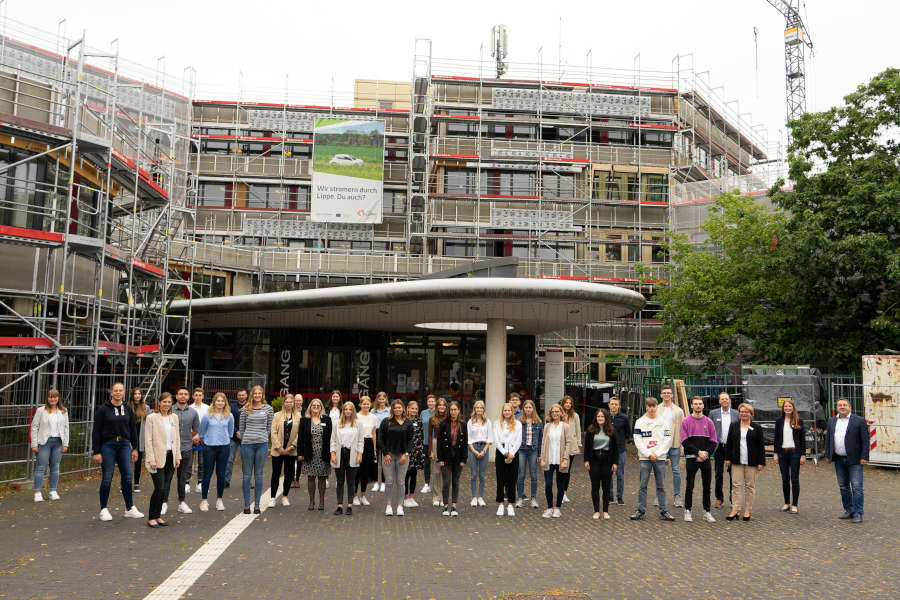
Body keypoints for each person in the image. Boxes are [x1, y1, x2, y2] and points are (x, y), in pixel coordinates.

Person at [91, 382, 144, 521]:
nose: (118, 393)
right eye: (115, 390)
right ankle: (103, 509)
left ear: (124, 392)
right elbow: (96, 431)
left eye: (120, 390)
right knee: (107, 477)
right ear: (111, 392)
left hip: (125, 444)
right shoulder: (103, 409)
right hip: (108, 445)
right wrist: (96, 451)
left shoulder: (128, 408)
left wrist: (135, 448)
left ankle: (129, 508)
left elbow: (133, 429)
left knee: (127, 476)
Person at [630, 397, 676, 521]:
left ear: (657, 407)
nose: (651, 409)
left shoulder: (664, 422)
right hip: (645, 458)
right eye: (649, 406)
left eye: (653, 406)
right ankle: (640, 510)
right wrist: (648, 453)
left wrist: (658, 453)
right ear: (646, 407)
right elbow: (637, 440)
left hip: (660, 458)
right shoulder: (640, 422)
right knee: (642, 485)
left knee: (661, 485)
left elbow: (668, 439)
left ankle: (664, 511)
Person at [825, 398, 869, 523]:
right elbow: (829, 438)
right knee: (843, 486)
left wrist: (864, 457)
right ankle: (849, 510)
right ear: (837, 407)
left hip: (855, 459)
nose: (842, 407)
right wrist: (828, 454)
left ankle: (858, 512)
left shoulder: (859, 421)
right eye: (839, 405)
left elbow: (865, 441)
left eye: (844, 405)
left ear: (849, 407)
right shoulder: (832, 420)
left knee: (856, 487)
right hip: (839, 459)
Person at [144, 392, 180, 528]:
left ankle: (158, 515)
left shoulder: (174, 418)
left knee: (165, 489)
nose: (166, 404)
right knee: (159, 487)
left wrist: (177, 457)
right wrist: (151, 459)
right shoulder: (151, 418)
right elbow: (148, 440)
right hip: (157, 457)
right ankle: (151, 517)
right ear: (159, 402)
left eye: (169, 402)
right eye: (164, 401)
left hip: (171, 457)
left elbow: (177, 439)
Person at [680, 396, 718, 523]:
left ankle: (707, 511)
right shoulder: (685, 421)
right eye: (695, 404)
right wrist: (698, 452)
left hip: (705, 459)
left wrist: (705, 453)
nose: (698, 406)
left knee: (707, 486)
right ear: (691, 406)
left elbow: (713, 441)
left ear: (703, 406)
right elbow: (684, 441)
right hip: (692, 458)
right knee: (690, 485)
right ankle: (687, 510)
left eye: (700, 404)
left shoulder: (709, 422)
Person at [725, 403, 765, 521]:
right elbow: (729, 443)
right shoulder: (734, 426)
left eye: (746, 412)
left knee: (749, 486)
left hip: (752, 461)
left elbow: (761, 446)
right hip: (736, 460)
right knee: (736, 485)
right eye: (741, 412)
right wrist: (727, 458)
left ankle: (747, 509)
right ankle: (735, 509)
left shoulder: (756, 427)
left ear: (751, 414)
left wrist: (761, 462)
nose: (743, 414)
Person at [239, 385, 274, 514]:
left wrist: (261, 437)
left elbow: (269, 426)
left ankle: (257, 505)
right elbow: (241, 428)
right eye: (255, 393)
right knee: (247, 475)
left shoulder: (268, 409)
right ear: (252, 395)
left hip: (262, 444)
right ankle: (247, 505)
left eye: (260, 393)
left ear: (262, 395)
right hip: (247, 444)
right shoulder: (245, 409)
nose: (257, 395)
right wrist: (247, 439)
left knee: (259, 474)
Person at [30, 389, 69, 502]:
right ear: (47, 398)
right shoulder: (41, 411)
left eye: (55, 397)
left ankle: (53, 491)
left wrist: (65, 443)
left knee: (55, 467)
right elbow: (34, 427)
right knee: (41, 467)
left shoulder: (63, 411)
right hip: (44, 442)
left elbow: (66, 428)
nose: (53, 399)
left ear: (58, 398)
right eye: (50, 397)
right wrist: (34, 443)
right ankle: (37, 492)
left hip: (58, 442)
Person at [199, 392, 234, 512]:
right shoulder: (207, 416)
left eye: (222, 401)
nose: (220, 403)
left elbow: (230, 432)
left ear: (225, 403)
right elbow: (202, 433)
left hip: (224, 447)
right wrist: (208, 442)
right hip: (209, 447)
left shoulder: (229, 416)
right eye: (218, 401)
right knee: (207, 474)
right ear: (214, 402)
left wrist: (223, 440)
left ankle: (219, 500)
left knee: (221, 474)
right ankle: (204, 500)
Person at [379, 399, 413, 516]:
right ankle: (388, 506)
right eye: (395, 408)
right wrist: (385, 453)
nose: (397, 409)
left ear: (403, 408)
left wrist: (405, 454)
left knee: (401, 481)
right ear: (392, 409)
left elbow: (411, 440)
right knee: (388, 481)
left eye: (399, 407)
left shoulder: (408, 423)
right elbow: (380, 439)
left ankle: (400, 506)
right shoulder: (386, 422)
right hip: (388, 455)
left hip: (403, 456)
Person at [540, 403, 574, 518]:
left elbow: (568, 443)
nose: (555, 413)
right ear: (550, 413)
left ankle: (557, 508)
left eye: (557, 411)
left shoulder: (565, 427)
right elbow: (543, 443)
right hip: (548, 460)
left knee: (560, 486)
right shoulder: (547, 427)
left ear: (561, 413)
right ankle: (549, 508)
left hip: (561, 461)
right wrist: (542, 457)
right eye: (553, 411)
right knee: (548, 485)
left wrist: (565, 459)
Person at [331, 401, 364, 515]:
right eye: (346, 409)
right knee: (340, 481)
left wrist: (360, 454)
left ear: (353, 411)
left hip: (353, 454)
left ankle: (349, 505)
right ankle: (339, 506)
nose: (348, 411)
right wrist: (333, 454)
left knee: (351, 481)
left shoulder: (358, 424)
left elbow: (360, 441)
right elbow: (333, 440)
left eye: (350, 409)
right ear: (343, 411)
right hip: (340, 454)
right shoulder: (337, 423)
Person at [583, 407, 617, 520]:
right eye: (598, 416)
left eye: (602, 416)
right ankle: (596, 511)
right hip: (594, 460)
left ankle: (606, 511)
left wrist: (615, 463)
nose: (600, 418)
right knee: (595, 487)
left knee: (606, 487)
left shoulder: (611, 430)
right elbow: (587, 447)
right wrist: (586, 460)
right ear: (595, 418)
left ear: (606, 417)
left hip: (607, 460)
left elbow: (616, 448)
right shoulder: (591, 430)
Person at [774, 398, 806, 514]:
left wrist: (803, 454)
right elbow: (776, 438)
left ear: (793, 408)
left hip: (795, 454)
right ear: (783, 408)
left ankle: (794, 504)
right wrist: (775, 453)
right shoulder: (779, 421)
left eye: (789, 406)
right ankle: (786, 503)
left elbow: (802, 440)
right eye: (785, 406)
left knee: (795, 479)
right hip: (782, 453)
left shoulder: (798, 421)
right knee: (784, 479)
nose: (787, 408)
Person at [299, 398, 332, 511]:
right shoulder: (304, 420)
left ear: (321, 407)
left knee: (322, 477)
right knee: (311, 477)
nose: (316, 407)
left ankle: (321, 502)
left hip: (323, 452)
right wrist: (300, 453)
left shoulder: (327, 419)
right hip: (310, 452)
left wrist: (332, 452)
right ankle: (311, 501)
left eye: (318, 405)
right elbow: (300, 438)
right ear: (310, 407)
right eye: (314, 405)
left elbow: (331, 437)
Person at [437, 400, 467, 517]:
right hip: (446, 457)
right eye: (451, 410)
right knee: (446, 482)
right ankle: (445, 505)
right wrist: (440, 459)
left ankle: (454, 505)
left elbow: (465, 443)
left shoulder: (463, 425)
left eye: (455, 409)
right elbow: (439, 443)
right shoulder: (443, 424)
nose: (453, 412)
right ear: (449, 411)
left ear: (459, 410)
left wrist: (464, 460)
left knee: (455, 482)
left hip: (458, 458)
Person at [709, 392, 739, 509]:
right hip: (719, 447)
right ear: (719, 401)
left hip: (732, 448)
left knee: (734, 474)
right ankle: (719, 498)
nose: (725, 401)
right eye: (722, 399)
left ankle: (733, 499)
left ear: (730, 400)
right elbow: (710, 430)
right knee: (718, 474)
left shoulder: (736, 414)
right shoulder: (713, 413)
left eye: (726, 398)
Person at [269, 394, 299, 508]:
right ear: (284, 403)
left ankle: (285, 496)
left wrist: (291, 447)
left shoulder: (298, 417)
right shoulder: (277, 416)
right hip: (278, 450)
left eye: (291, 402)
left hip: (291, 450)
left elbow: (299, 435)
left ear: (293, 404)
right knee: (276, 473)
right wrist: (279, 447)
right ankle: (272, 498)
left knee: (288, 474)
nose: (289, 404)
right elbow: (273, 432)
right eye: (287, 402)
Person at [173, 387, 199, 514]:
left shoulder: (193, 412)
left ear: (188, 397)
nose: (183, 396)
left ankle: (181, 502)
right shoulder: (170, 410)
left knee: (182, 477)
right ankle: (163, 503)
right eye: (180, 394)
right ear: (176, 396)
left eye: (185, 394)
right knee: (166, 478)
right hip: (170, 450)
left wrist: (190, 438)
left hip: (187, 448)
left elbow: (195, 430)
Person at [493, 402, 522, 516]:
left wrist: (511, 454)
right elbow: (496, 441)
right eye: (505, 410)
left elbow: (519, 440)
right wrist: (505, 453)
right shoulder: (497, 424)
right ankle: (500, 504)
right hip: (501, 452)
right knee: (500, 478)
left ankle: (510, 504)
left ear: (512, 411)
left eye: (509, 410)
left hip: (514, 453)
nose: (507, 412)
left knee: (512, 479)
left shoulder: (518, 424)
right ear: (502, 412)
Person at [658, 385, 685, 508]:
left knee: (676, 470)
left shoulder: (678, 411)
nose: (667, 395)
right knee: (660, 471)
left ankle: (677, 496)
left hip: (675, 443)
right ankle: (660, 496)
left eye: (669, 393)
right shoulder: (657, 409)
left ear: (672, 395)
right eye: (664, 393)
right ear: (661, 395)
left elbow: (683, 429)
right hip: (661, 444)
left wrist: (682, 445)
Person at [516, 399, 543, 509]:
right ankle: (520, 498)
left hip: (533, 450)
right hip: (521, 450)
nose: (528, 409)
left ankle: (533, 498)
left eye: (530, 407)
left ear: (533, 409)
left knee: (533, 475)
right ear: (523, 409)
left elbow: (540, 439)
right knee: (521, 474)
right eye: (526, 407)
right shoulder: (518, 421)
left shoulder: (538, 422)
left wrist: (540, 454)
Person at [467, 399, 492, 508]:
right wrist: (475, 451)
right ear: (474, 409)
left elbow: (490, 438)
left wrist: (483, 451)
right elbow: (468, 439)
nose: (479, 409)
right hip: (473, 448)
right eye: (477, 407)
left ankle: (480, 496)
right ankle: (473, 497)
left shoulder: (488, 421)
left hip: (484, 449)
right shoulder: (470, 421)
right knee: (473, 474)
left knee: (482, 475)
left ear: (484, 409)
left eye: (481, 407)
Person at [353, 395, 378, 506]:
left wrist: (374, 449)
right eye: (364, 403)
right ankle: (354, 496)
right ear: (360, 405)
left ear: (370, 405)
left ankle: (363, 495)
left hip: (368, 444)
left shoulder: (373, 417)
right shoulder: (356, 416)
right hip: (358, 443)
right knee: (357, 471)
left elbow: (373, 434)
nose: (366, 405)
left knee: (365, 471)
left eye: (368, 404)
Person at [608, 397, 631, 506]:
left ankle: (620, 497)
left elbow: (628, 434)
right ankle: (610, 496)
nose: (614, 406)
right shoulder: (605, 417)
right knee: (609, 474)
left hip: (620, 451)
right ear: (609, 405)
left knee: (620, 474)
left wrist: (621, 443)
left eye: (616, 404)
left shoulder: (624, 418)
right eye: (612, 404)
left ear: (619, 406)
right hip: (607, 451)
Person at [403, 400, 426, 508]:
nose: (414, 410)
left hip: (416, 452)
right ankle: (405, 497)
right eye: (412, 408)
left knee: (414, 474)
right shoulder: (404, 420)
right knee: (405, 475)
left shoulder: (419, 421)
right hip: (406, 452)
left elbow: (421, 435)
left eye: (416, 409)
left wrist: (420, 449)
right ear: (407, 409)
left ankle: (411, 497)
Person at [559, 395, 582, 504]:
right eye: (566, 402)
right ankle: (560, 491)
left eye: (570, 403)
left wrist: (579, 444)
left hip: (572, 445)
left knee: (567, 470)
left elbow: (578, 430)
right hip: (560, 446)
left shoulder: (575, 416)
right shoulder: (558, 414)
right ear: (562, 404)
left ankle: (564, 493)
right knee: (561, 469)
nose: (568, 404)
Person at [428, 397, 449, 506]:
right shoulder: (432, 418)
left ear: (446, 407)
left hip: (447, 445)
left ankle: (443, 496)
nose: (441, 407)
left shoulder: (449, 418)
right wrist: (430, 451)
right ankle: (436, 496)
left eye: (443, 405)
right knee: (436, 472)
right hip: (436, 443)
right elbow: (429, 436)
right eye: (439, 405)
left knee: (444, 472)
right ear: (437, 407)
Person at [225, 388, 247, 488]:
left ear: (246, 395)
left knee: (247, 461)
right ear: (237, 396)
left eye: (243, 395)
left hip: (247, 438)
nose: (241, 396)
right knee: (229, 459)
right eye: (239, 395)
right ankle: (226, 481)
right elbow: (229, 421)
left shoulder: (250, 407)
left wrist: (244, 433)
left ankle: (246, 482)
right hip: (233, 437)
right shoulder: (232, 407)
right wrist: (236, 431)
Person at [129, 388, 148, 493]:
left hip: (140, 438)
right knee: (126, 462)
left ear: (141, 395)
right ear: (132, 395)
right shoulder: (127, 407)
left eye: (139, 394)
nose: (137, 396)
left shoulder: (146, 408)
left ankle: (136, 483)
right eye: (135, 394)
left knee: (138, 462)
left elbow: (148, 425)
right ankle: (125, 484)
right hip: (129, 438)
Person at [190, 387, 209, 493]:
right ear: (193, 396)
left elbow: (208, 424)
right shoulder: (189, 408)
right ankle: (186, 483)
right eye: (196, 395)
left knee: (202, 461)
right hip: (191, 438)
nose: (198, 397)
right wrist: (193, 436)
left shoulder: (207, 408)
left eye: (200, 395)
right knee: (189, 461)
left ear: (203, 396)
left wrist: (201, 436)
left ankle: (200, 483)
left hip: (203, 438)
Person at [372, 392, 390, 492]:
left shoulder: (390, 410)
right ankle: (375, 482)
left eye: (383, 399)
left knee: (384, 460)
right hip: (375, 433)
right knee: (375, 459)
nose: (382, 400)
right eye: (380, 399)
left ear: (386, 400)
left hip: (386, 435)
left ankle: (383, 482)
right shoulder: (373, 411)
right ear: (377, 400)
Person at [419, 394, 436, 495]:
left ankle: (435, 484)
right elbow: (420, 428)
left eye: (433, 401)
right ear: (427, 402)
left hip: (435, 442)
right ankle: (427, 484)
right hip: (425, 442)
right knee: (426, 464)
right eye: (429, 401)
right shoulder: (423, 413)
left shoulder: (438, 413)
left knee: (436, 464)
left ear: (435, 402)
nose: (431, 403)